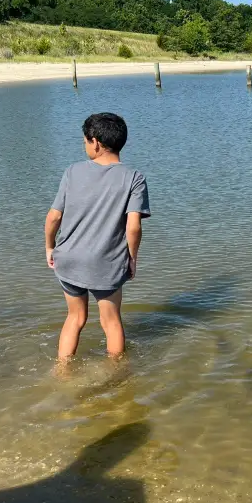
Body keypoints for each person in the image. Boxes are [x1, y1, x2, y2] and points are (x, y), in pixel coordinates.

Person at [44, 113, 151, 364]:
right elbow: (133, 227)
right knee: (111, 322)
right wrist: (132, 258)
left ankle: (63, 370)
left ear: (95, 142)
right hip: (106, 262)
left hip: (69, 259)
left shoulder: (72, 172)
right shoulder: (134, 177)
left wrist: (50, 247)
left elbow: (53, 218)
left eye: (84, 141)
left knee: (75, 318)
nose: (84, 146)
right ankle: (116, 376)